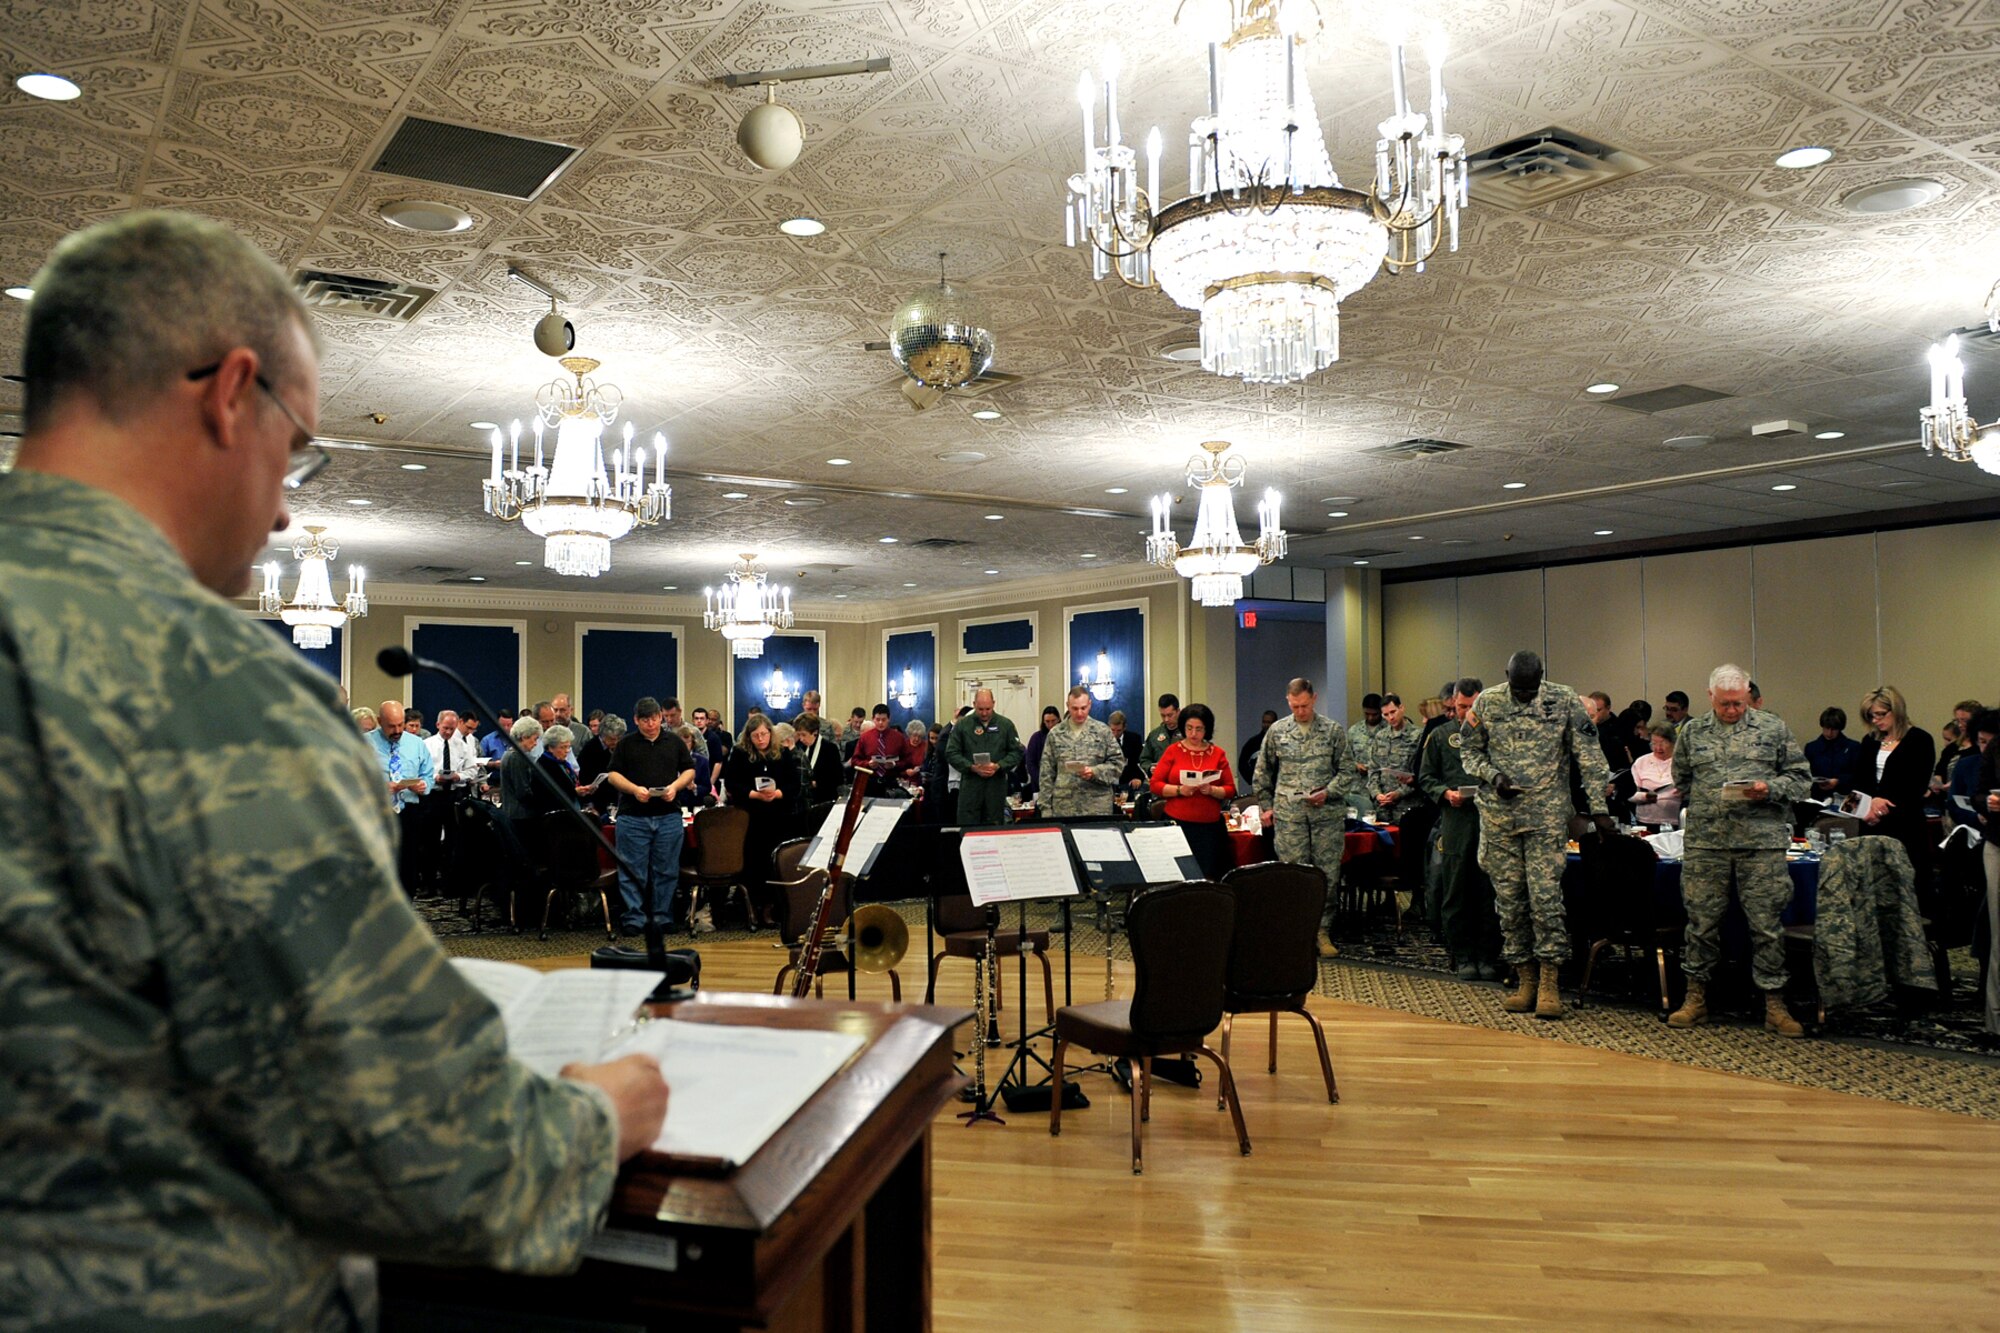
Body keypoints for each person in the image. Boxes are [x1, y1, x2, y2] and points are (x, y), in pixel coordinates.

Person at [0, 210, 664, 1328]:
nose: (289, 503)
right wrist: (596, 1114)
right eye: (297, 445)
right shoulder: (207, 690)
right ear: (228, 394)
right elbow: (431, 1157)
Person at [1458, 650, 1615, 1021]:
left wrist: (1599, 811)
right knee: (1510, 902)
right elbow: (1468, 749)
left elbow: (1589, 757)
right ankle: (1524, 977)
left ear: (1542, 678)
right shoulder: (1489, 701)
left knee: (1546, 900)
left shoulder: (1562, 700)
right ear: (1505, 676)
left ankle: (1548, 981)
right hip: (1500, 819)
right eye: (1518, 689)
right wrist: (1492, 776)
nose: (1524, 696)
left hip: (1545, 816)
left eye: (1530, 690)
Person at [1666, 665, 1812, 1037]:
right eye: (1725, 703)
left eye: (1739, 703)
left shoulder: (1772, 728)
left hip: (1759, 843)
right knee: (1700, 924)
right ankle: (1696, 999)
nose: (1733, 710)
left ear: (1749, 696)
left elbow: (1800, 778)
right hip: (1706, 844)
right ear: (1710, 696)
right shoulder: (1693, 732)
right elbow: (1682, 779)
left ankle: (1775, 1005)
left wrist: (1770, 788)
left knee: (1766, 926)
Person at [1254, 678, 1353, 957]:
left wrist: (1329, 792)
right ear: (1288, 701)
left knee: (1326, 876)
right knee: (1293, 875)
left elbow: (1347, 772)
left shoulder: (1332, 731)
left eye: (1305, 705)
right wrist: (1266, 806)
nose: (1300, 711)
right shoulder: (1277, 731)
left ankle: (1322, 931)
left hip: (1326, 816)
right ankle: (1297, 931)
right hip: (1290, 817)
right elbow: (1263, 772)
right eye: (1295, 706)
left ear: (1315, 699)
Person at [1418, 678, 1502, 981]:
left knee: (1487, 890)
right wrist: (1444, 793)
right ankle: (1462, 953)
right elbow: (1425, 777)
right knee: (1456, 889)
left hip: (1490, 820)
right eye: (1462, 707)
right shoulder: (1441, 736)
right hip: (1456, 821)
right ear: (1453, 704)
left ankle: (1487, 954)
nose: (1467, 713)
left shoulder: (1495, 736)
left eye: (1472, 707)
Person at [607, 697, 696, 937]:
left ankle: (662, 916)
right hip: (633, 816)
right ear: (636, 720)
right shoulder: (626, 744)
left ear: (661, 717)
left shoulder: (674, 742)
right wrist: (635, 789)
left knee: (666, 870)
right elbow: (613, 775)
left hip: (668, 815)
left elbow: (689, 769)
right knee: (632, 871)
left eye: (655, 718)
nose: (651, 724)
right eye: (645, 720)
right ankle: (634, 918)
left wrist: (675, 787)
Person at [1853, 685, 1938, 913]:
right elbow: (1858, 781)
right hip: (1869, 821)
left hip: (1904, 822)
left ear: (1896, 710)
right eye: (1871, 716)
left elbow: (1916, 785)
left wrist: (1881, 803)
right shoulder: (1869, 741)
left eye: (1881, 714)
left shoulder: (1919, 740)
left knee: (1909, 886)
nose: (1876, 720)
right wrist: (1867, 807)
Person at [723, 714, 803, 924]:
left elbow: (795, 784)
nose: (761, 739)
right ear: (749, 737)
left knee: (775, 862)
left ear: (770, 733)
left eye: (764, 734)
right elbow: (731, 783)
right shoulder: (740, 754)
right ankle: (751, 906)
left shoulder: (782, 754)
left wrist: (777, 793)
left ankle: (771, 907)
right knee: (753, 862)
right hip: (750, 817)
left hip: (778, 817)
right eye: (756, 735)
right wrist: (754, 794)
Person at [1150, 702, 1236, 879]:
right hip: (1178, 824)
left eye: (1199, 729)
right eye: (1189, 728)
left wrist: (1212, 790)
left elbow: (1230, 790)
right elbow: (1155, 784)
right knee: (1178, 875)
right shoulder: (1173, 751)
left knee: (1208, 875)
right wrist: (1180, 790)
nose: (1193, 734)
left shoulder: (1217, 753)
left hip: (1209, 829)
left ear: (1207, 730)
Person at [369, 699, 436, 893]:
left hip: (409, 812)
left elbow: (427, 775)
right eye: (391, 726)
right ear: (379, 721)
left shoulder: (416, 744)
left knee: (408, 864)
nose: (397, 730)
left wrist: (424, 785)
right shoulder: (363, 743)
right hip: (378, 813)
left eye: (400, 724)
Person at [1041, 686, 1124, 818]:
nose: (1079, 713)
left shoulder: (1103, 731)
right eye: (1074, 708)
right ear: (1068, 706)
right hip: (1064, 808)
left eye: (1083, 708)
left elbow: (1118, 764)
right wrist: (1045, 809)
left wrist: (1094, 772)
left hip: (1097, 807)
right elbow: (1046, 774)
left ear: (1089, 705)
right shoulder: (1055, 734)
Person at [944, 688, 1024, 826]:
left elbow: (1016, 752)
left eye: (988, 708)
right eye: (980, 709)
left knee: (994, 828)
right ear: (974, 704)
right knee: (968, 828)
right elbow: (951, 753)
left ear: (994, 703)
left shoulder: (1006, 725)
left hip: (996, 787)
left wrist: (999, 766)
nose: (984, 713)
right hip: (970, 786)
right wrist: (972, 767)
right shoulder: (963, 725)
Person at [1366, 692, 1422, 823]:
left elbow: (1421, 774)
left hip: (1407, 806)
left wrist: (1399, 793)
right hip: (1383, 808)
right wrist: (1376, 794)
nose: (1390, 717)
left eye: (1393, 712)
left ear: (1401, 708)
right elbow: (1373, 769)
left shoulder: (1417, 736)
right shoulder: (1380, 737)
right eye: (1386, 715)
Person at [1629, 723, 1683, 828]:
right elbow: (1629, 793)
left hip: (1674, 821)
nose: (1658, 748)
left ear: (1673, 742)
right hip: (1645, 821)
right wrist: (1645, 797)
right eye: (1654, 743)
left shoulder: (1681, 762)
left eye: (1663, 743)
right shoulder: (1641, 762)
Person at [1804, 706, 1862, 796]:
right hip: (1818, 796)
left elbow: (1859, 775)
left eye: (1833, 729)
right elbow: (1805, 774)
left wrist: (1839, 781)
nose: (1829, 733)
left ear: (1840, 729)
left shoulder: (1853, 747)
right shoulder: (1811, 748)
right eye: (1826, 728)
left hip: (1844, 796)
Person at [797, 713, 845, 804]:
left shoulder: (830, 749)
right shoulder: (801, 748)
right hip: (806, 800)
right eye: (799, 735)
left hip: (825, 799)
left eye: (804, 735)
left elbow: (838, 778)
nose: (801, 739)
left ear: (815, 732)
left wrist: (816, 783)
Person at [852, 702, 907, 778]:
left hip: (891, 779)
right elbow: (854, 761)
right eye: (878, 719)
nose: (880, 723)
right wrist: (868, 763)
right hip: (870, 779)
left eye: (884, 719)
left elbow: (906, 760)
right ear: (873, 719)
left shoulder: (899, 737)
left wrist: (895, 764)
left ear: (889, 719)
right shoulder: (865, 737)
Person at [1139, 693, 1183, 777]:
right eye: (1163, 715)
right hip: (1160, 781)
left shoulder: (1187, 734)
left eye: (1170, 715)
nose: (1166, 719)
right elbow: (1144, 759)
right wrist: (1150, 767)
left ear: (1178, 711)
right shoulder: (1154, 735)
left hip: (1180, 781)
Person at [1023, 704, 1060, 801]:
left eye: (1053, 721)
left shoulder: (1063, 737)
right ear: (1043, 722)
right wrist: (1041, 780)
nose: (1051, 725)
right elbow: (1030, 763)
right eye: (1047, 722)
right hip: (1039, 786)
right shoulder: (1036, 738)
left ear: (1059, 720)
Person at [1239, 708, 1279, 790]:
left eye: (1269, 722)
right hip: (1259, 788)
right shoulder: (1253, 743)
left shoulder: (1281, 742)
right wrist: (1252, 779)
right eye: (1264, 722)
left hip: (1278, 787)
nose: (1266, 725)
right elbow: (1242, 763)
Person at [1349, 692, 1385, 777]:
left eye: (1374, 714)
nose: (1370, 718)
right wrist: (1355, 765)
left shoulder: (1389, 730)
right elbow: (1345, 758)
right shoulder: (1354, 731)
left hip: (1381, 783)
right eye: (1367, 714)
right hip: (1358, 784)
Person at [1109, 708, 1145, 793]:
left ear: (1124, 727)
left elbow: (1139, 762)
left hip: (1129, 782)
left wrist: (1138, 778)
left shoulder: (1134, 739)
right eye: (1112, 730)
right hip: (1110, 783)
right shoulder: (1104, 740)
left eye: (1119, 730)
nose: (1115, 734)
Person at [900, 719, 931, 789]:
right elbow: (898, 765)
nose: (916, 739)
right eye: (914, 736)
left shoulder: (926, 746)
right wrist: (905, 772)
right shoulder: (903, 745)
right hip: (905, 783)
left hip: (922, 783)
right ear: (909, 735)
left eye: (919, 736)